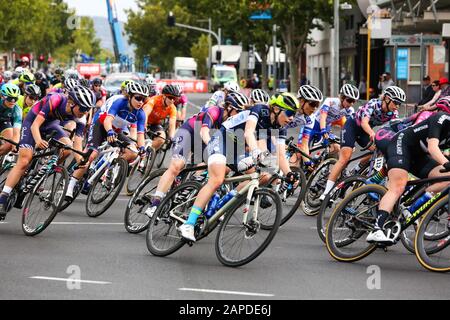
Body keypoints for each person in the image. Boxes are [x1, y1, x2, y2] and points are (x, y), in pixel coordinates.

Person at [178, 92, 299, 241]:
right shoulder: (260, 110)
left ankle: (224, 203)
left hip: (239, 149)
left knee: (263, 175)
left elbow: (280, 155)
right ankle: (188, 224)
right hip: (223, 139)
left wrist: (288, 174)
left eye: (294, 114)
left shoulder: (280, 128)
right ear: (275, 109)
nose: (291, 118)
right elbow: (248, 132)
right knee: (217, 180)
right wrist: (256, 153)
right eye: (289, 113)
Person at [143, 91, 249, 219]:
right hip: (189, 132)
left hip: (204, 142)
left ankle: (189, 188)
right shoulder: (215, 111)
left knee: (210, 165)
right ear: (229, 107)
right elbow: (204, 132)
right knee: (177, 166)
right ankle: (155, 203)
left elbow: (235, 143)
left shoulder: (233, 123)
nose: (240, 116)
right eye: (238, 112)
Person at [0, 86, 95, 219]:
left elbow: (77, 144)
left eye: (88, 109)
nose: (85, 113)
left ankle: (46, 168)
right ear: (71, 103)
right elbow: (35, 125)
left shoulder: (81, 118)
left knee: (67, 148)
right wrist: (38, 140)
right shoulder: (55, 99)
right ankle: (3, 197)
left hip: (51, 125)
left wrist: (81, 161)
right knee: (24, 160)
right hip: (32, 122)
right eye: (83, 108)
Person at [366, 111, 450, 243]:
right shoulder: (441, 118)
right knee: (398, 186)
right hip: (402, 144)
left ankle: (411, 209)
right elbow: (433, 148)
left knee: (447, 178)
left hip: (419, 156)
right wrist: (446, 163)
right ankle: (377, 229)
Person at [65, 82, 149, 200]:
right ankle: (70, 186)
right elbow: (107, 120)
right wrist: (109, 132)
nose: (141, 102)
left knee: (133, 153)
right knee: (91, 154)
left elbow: (140, 135)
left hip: (116, 130)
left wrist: (142, 148)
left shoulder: (141, 114)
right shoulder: (120, 102)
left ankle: (106, 168)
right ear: (129, 96)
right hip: (101, 122)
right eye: (138, 98)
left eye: (143, 99)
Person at [319, 86, 404, 201]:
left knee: (378, 151)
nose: (397, 106)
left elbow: (397, 128)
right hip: (352, 126)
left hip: (364, 133)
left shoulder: (393, 113)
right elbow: (364, 122)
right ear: (387, 99)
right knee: (345, 158)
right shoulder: (374, 104)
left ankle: (356, 170)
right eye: (396, 102)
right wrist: (372, 134)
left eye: (399, 104)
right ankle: (326, 192)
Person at [299, 84, 359, 163]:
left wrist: (351, 141)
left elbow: (349, 126)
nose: (351, 104)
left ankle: (319, 163)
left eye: (353, 101)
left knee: (336, 148)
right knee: (300, 153)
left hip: (326, 127)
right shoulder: (331, 101)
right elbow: (323, 117)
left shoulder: (350, 110)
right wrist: (323, 130)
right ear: (342, 97)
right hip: (313, 125)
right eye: (349, 100)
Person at [143, 84, 179, 151]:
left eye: (175, 99)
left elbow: (172, 124)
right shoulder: (154, 100)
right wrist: (144, 125)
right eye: (171, 98)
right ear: (164, 96)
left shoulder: (172, 108)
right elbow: (145, 113)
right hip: (143, 121)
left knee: (162, 138)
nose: (172, 101)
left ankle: (148, 154)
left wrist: (171, 137)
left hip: (154, 124)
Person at [0, 84, 22, 156]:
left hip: (4, 122)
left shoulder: (17, 110)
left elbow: (16, 133)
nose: (13, 101)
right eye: (10, 98)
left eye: (15, 99)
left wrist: (14, 145)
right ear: (2, 96)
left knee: (11, 143)